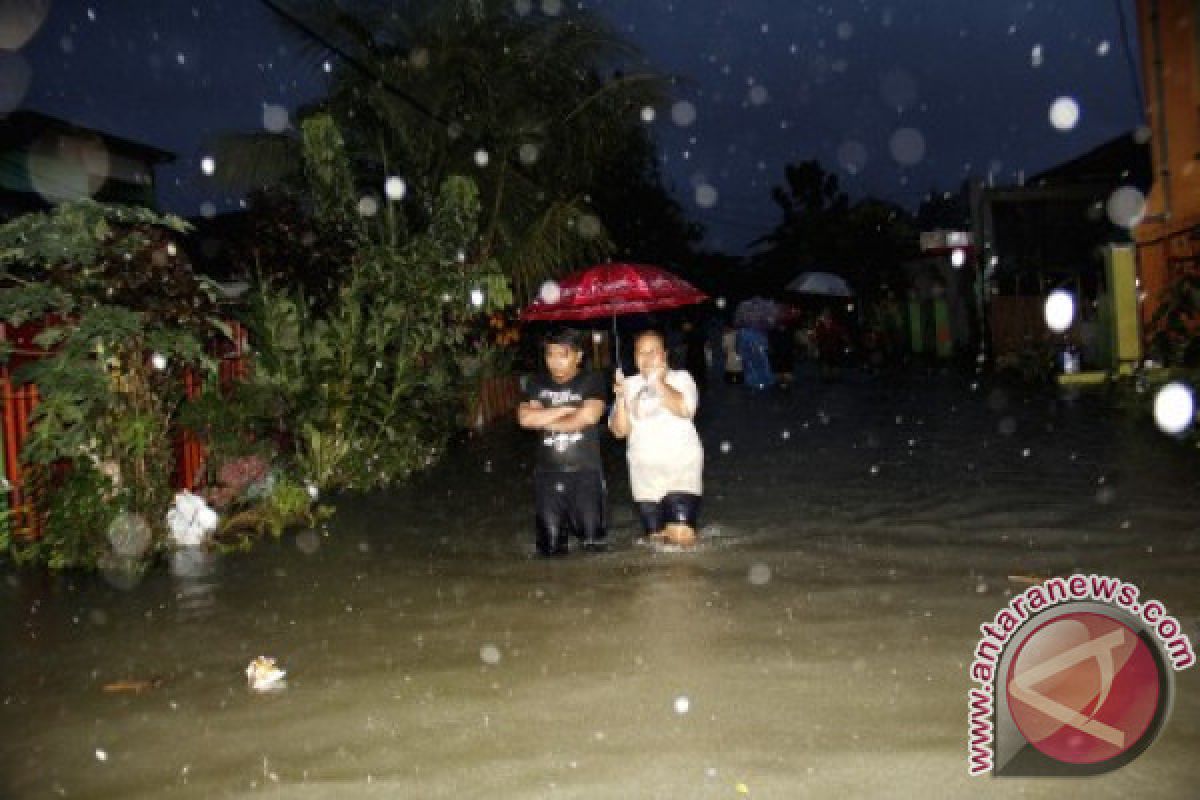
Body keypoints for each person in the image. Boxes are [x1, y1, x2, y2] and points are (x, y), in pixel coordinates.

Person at [517, 328, 608, 556]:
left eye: (563, 354)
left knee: (593, 549)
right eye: (550, 354)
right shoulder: (536, 383)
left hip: (586, 475)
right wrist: (565, 410)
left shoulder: (592, 380)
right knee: (549, 551)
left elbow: (588, 417)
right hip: (547, 476)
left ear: (578, 356)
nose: (555, 361)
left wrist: (545, 419)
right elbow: (526, 419)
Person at [609, 330, 704, 547]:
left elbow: (684, 409)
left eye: (653, 351)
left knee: (680, 541)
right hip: (644, 478)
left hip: (681, 471)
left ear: (665, 354)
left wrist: (659, 383)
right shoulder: (629, 384)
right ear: (634, 357)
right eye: (641, 352)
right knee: (657, 547)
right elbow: (619, 431)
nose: (647, 357)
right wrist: (621, 398)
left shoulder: (681, 378)